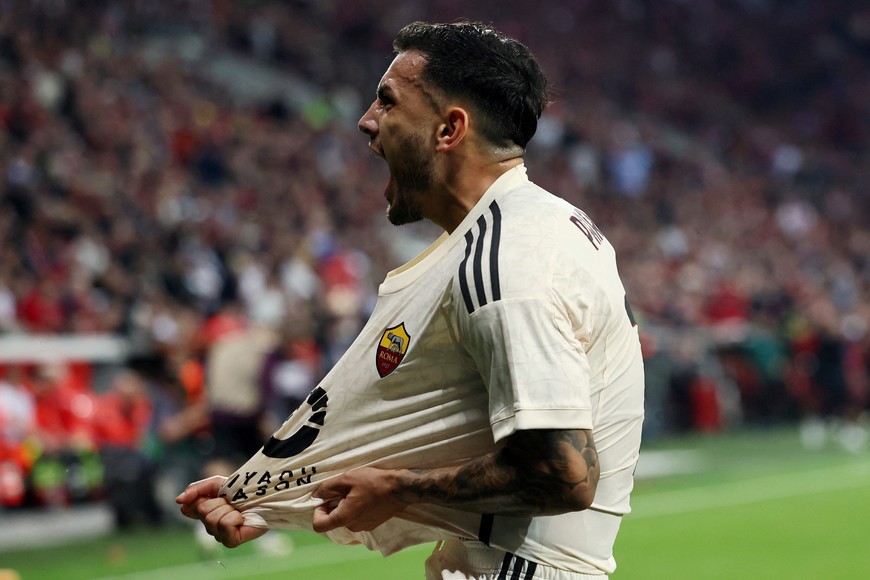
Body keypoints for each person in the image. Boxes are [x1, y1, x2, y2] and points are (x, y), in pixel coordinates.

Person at [177, 21, 644, 579]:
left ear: (449, 129)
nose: (366, 121)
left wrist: (397, 489)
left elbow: (562, 472)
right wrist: (263, 494)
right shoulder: (532, 227)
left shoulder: (507, 261)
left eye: (387, 101)